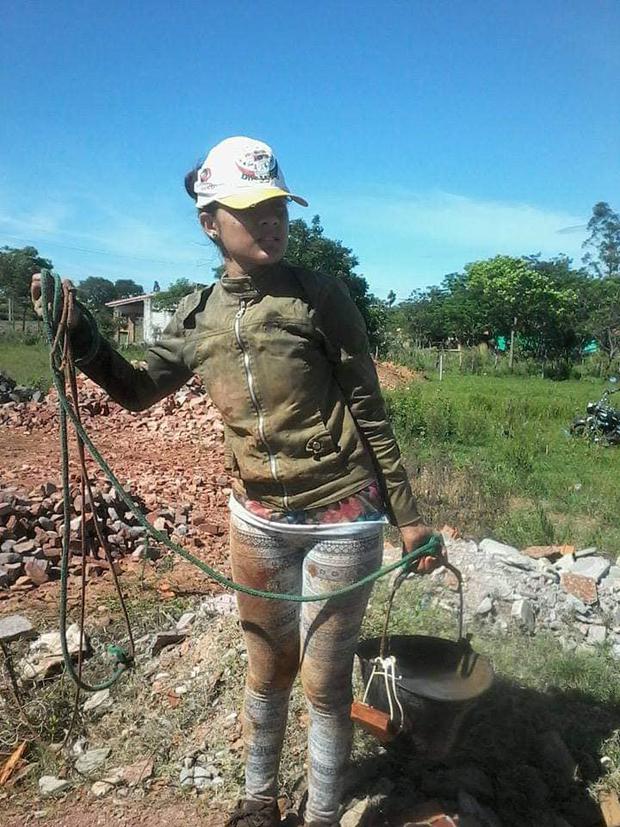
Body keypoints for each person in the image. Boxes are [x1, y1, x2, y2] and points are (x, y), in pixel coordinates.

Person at [32, 136, 445, 827]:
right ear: (209, 222)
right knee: (268, 668)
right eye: (252, 209)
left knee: (323, 677)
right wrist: (82, 339)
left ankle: (323, 810)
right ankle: (258, 800)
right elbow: (135, 391)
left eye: (278, 206)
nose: (272, 221)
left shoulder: (321, 298)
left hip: (342, 516)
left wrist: (407, 519)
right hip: (257, 523)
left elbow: (369, 410)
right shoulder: (198, 319)